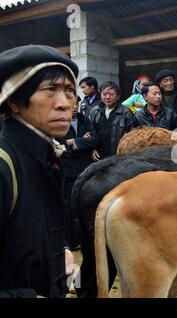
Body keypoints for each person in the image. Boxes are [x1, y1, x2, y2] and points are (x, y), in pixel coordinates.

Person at [0, 44, 79, 298]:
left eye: (69, 91)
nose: (64, 103)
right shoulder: (4, 167)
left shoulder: (47, 157)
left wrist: (58, 255)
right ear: (13, 100)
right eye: (50, 90)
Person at [56, 97, 95, 250]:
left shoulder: (85, 119)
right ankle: (69, 241)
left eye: (76, 104)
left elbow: (94, 139)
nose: (74, 107)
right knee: (68, 206)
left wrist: (74, 142)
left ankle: (82, 239)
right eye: (71, 104)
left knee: (83, 205)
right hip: (68, 170)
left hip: (85, 168)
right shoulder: (59, 121)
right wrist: (79, 142)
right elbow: (60, 145)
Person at [89, 82, 137, 161]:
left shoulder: (126, 112)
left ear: (118, 96)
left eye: (111, 94)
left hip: (119, 155)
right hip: (98, 155)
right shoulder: (94, 111)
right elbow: (90, 132)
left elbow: (132, 134)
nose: (107, 97)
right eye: (104, 94)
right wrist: (92, 149)